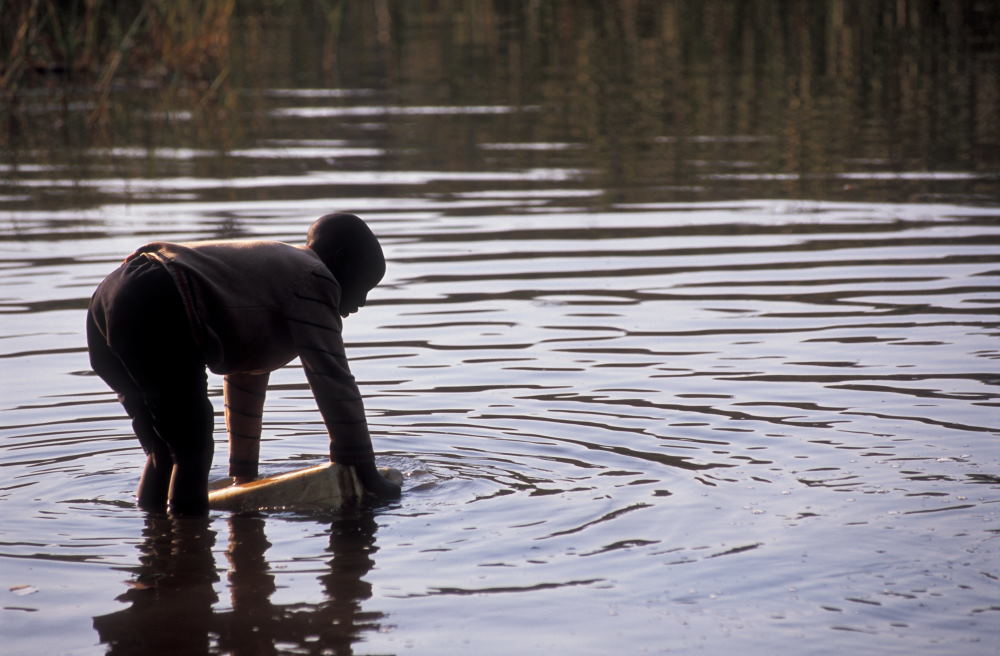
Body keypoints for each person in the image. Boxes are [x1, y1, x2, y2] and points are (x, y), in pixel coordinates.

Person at [86, 213, 401, 515]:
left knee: (165, 450)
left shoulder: (268, 277)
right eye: (363, 287)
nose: (361, 303)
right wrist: (362, 467)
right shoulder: (313, 276)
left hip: (110, 297)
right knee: (191, 450)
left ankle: (156, 536)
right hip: (157, 297)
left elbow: (244, 380)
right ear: (341, 258)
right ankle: (189, 542)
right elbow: (333, 379)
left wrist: (244, 476)